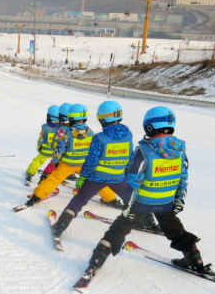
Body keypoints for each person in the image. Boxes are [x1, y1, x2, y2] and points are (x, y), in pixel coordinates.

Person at [80, 106, 214, 279]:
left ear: (149, 127)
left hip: (141, 203)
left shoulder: (144, 151)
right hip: (166, 202)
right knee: (176, 231)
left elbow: (133, 181)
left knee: (119, 228)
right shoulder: (181, 151)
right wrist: (179, 200)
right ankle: (195, 261)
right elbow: (183, 178)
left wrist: (128, 205)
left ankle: (96, 261)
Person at [50, 101, 159, 238]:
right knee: (132, 198)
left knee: (80, 199)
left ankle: (60, 226)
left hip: (97, 178)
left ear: (102, 118)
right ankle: (147, 222)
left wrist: (83, 176)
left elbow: (91, 161)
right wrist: (126, 174)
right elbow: (130, 156)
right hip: (118, 177)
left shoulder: (99, 138)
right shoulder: (128, 135)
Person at [22, 104, 120, 209]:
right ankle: (111, 199)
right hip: (84, 164)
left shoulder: (66, 132)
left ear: (71, 117)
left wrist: (55, 161)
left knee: (53, 179)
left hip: (67, 164)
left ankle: (37, 197)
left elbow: (60, 149)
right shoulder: (90, 132)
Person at [24, 105, 59, 186]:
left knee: (38, 161)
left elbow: (41, 138)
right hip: (57, 151)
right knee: (59, 162)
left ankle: (30, 173)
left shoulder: (45, 127)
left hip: (45, 151)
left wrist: (39, 147)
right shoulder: (63, 128)